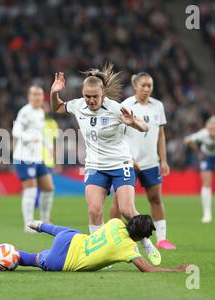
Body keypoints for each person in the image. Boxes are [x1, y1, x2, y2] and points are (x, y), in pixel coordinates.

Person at [49, 63, 162, 266]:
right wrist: (54, 93)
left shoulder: (116, 108)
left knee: (128, 210)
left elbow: (145, 127)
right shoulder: (78, 106)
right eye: (87, 96)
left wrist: (133, 123)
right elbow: (57, 107)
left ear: (103, 95)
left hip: (121, 164)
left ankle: (146, 244)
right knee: (94, 210)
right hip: (95, 165)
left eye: (95, 96)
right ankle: (101, 253)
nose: (91, 100)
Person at [0, 216, 191, 272]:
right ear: (141, 236)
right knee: (28, 259)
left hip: (69, 239)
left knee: (72, 232)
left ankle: (41, 225)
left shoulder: (116, 223)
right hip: (62, 261)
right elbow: (148, 269)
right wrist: (176, 269)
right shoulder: (128, 249)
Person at [110, 73, 176, 250]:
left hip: (151, 162)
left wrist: (163, 160)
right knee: (119, 204)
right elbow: (117, 136)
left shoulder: (158, 106)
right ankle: (112, 239)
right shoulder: (125, 106)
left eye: (150, 85)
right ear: (135, 86)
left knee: (155, 198)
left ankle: (162, 239)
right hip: (128, 162)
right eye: (143, 85)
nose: (147, 89)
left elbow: (160, 135)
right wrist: (128, 158)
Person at [12, 85, 54, 232]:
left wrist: (48, 145)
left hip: (37, 157)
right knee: (30, 191)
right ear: (29, 97)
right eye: (34, 95)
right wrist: (30, 138)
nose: (37, 98)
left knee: (48, 188)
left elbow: (39, 132)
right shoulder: (25, 112)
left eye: (40, 95)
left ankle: (44, 220)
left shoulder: (40, 112)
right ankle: (28, 224)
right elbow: (16, 131)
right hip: (24, 157)